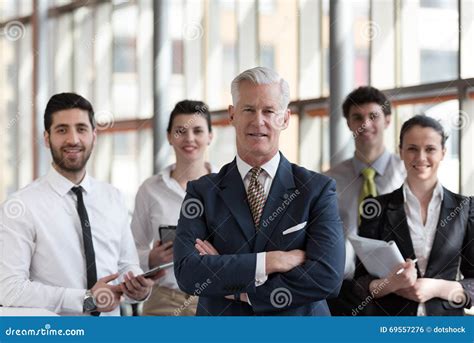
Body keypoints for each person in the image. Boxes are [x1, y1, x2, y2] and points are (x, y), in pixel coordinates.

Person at [173, 67, 345, 316]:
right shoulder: (202, 192)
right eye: (248, 110)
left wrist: (240, 291)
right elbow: (189, 273)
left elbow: (327, 277)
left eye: (269, 111)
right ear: (232, 115)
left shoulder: (316, 190)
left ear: (285, 119)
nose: (258, 121)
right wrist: (271, 261)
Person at [0, 93, 163, 316]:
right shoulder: (21, 206)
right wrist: (85, 300)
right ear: (47, 138)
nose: (73, 139)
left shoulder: (112, 197)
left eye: (81, 129)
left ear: (94, 136)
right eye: (62, 130)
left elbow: (127, 265)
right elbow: (9, 289)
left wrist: (139, 289)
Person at [354, 115, 473, 315]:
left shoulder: (466, 207)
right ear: (400, 151)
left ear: (443, 152)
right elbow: (359, 284)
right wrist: (392, 284)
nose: (421, 157)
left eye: (430, 149)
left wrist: (437, 288)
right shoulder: (376, 208)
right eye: (412, 148)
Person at [325, 86, 406, 315]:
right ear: (349, 124)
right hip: (344, 289)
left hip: (394, 285)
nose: (365, 124)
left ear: (388, 120)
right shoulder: (330, 181)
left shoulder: (407, 175)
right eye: (357, 117)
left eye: (374, 116)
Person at [131, 100, 215, 316]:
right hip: (163, 302)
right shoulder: (150, 189)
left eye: (197, 131)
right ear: (169, 137)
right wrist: (151, 258)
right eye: (180, 131)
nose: (189, 138)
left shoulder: (227, 187)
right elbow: (129, 251)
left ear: (210, 136)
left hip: (215, 299)